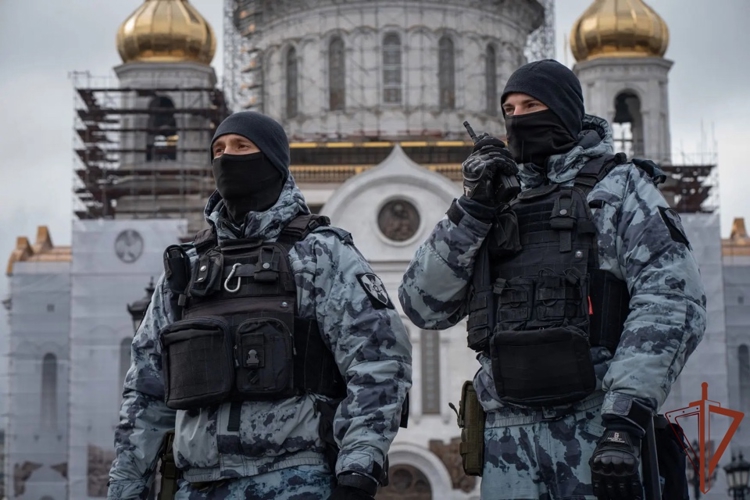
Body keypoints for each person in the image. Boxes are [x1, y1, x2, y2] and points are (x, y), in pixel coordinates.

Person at [398, 59, 705, 500]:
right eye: (509, 110)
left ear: (562, 111)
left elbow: (672, 300)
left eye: (531, 105)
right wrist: (473, 210)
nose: (518, 118)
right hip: (508, 437)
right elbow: (423, 305)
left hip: (595, 424)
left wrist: (624, 417)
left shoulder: (619, 189)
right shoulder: (495, 200)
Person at [108, 111, 412, 500]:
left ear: (272, 160)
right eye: (218, 150)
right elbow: (146, 390)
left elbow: (380, 361)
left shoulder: (319, 254)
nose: (226, 158)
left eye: (241, 146)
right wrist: (126, 486)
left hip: (295, 482)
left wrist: (358, 472)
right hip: (197, 486)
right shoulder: (188, 268)